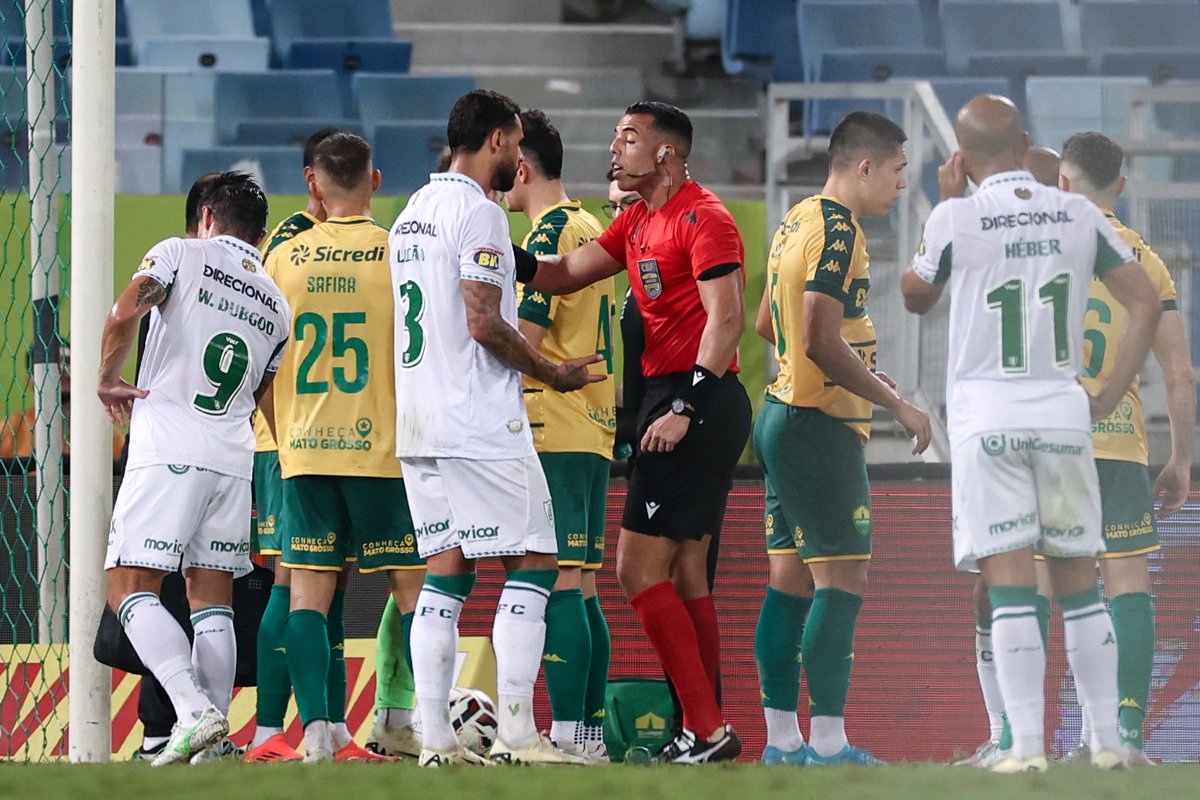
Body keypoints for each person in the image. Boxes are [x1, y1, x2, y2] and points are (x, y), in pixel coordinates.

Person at [902, 95, 1162, 773]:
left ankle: (1024, 748)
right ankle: (1108, 744)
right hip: (1063, 413)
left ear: (959, 156)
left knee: (1012, 583)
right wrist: (1107, 392)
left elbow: (914, 294)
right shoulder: (1077, 211)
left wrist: (947, 202)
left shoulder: (955, 216)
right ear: (1023, 144)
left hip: (988, 418)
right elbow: (1143, 302)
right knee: (1081, 583)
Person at [516, 101, 751, 764]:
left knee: (632, 568)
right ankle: (706, 727)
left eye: (629, 138)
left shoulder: (704, 217)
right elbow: (562, 273)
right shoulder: (639, 220)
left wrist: (686, 408)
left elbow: (727, 320)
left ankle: (706, 727)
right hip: (666, 396)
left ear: (666, 154)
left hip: (695, 398)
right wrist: (501, 255)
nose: (614, 149)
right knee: (684, 573)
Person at [963, 133, 1195, 768]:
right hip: (1118, 439)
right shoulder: (1142, 256)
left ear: (1061, 183)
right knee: (1127, 584)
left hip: (1043, 435)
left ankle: (1019, 742)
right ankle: (1127, 741)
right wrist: (1180, 459)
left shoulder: (1037, 240)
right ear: (1120, 187)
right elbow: (1180, 372)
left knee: (1031, 585)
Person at [390, 89, 602, 767]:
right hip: (476, 420)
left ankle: (435, 742)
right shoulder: (479, 213)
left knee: (444, 575)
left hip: (420, 424)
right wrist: (553, 372)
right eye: (512, 143)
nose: (518, 157)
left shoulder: (412, 214)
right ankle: (517, 734)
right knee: (537, 560)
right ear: (495, 143)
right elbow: (483, 321)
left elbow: (534, 274)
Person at [752, 111, 931, 767]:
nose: (901, 184)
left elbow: (769, 327)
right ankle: (828, 746)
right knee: (843, 579)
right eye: (898, 170)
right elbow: (817, 338)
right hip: (818, 425)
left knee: (790, 583)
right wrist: (898, 404)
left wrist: (850, 357)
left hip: (782, 415)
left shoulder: (796, 218)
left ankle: (782, 743)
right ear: (865, 166)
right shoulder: (838, 230)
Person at [100, 172, 290, 766]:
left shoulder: (179, 254)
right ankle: (210, 746)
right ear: (258, 236)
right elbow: (261, 395)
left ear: (205, 215)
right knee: (213, 601)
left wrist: (107, 377)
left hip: (170, 443)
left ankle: (191, 708)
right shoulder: (277, 303)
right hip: (234, 457)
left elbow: (123, 311)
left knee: (127, 586)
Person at [254, 132, 425, 763]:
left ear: (313, 186)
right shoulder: (398, 252)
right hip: (382, 449)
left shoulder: (283, 258)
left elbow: (259, 369)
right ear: (376, 182)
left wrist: (288, 432)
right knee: (413, 589)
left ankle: (318, 737)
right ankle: (427, 728)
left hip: (304, 451)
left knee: (305, 593)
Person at [504, 109, 614, 762]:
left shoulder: (549, 231)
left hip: (553, 422)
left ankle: (569, 737)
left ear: (523, 166)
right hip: (593, 426)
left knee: (561, 581)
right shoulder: (592, 225)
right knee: (584, 581)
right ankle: (588, 735)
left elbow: (529, 341)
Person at [0, 346, 124, 461]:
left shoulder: (100, 432)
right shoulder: (11, 429)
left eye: (67, 372)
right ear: (31, 382)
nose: (63, 379)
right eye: (55, 373)